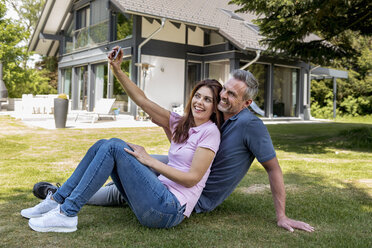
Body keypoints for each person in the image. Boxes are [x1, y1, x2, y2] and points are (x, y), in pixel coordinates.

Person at [58, 69, 315, 233]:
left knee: (131, 160)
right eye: (223, 89)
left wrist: (282, 215)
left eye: (231, 94)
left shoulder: (250, 126)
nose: (223, 96)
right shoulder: (213, 119)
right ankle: (60, 192)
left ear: (247, 103)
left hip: (192, 194)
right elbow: (146, 104)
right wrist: (116, 69)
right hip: (182, 174)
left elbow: (273, 168)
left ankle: (65, 202)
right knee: (126, 160)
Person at [20, 47, 223, 232]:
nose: (200, 102)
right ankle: (58, 199)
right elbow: (142, 100)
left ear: (215, 107)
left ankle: (67, 213)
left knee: (114, 146)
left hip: (169, 209)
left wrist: (149, 160)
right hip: (157, 195)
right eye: (198, 96)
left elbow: (192, 179)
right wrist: (117, 69)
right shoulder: (181, 123)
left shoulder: (210, 132)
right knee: (103, 144)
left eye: (208, 99)